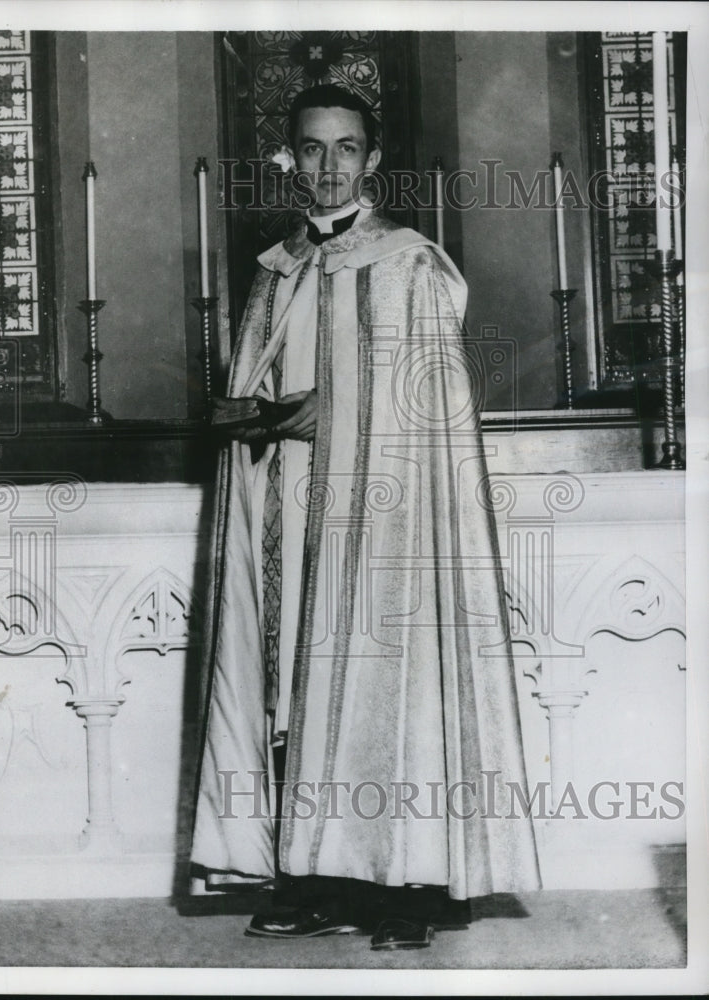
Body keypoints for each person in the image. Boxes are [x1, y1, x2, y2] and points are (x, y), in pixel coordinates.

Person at [189, 83, 540, 951]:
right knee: (297, 689)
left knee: (388, 684)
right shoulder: (277, 271)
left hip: (388, 516)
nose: (329, 166)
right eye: (311, 149)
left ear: (372, 160)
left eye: (347, 148)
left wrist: (331, 410)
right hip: (294, 504)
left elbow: (432, 407)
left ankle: (408, 890)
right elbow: (263, 386)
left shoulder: (408, 262)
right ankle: (316, 876)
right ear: (288, 161)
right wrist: (253, 414)